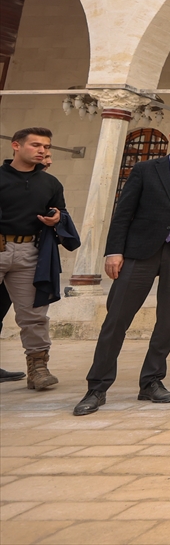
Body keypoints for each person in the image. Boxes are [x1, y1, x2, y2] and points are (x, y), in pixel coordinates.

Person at [75, 120, 170, 416]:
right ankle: (97, 387)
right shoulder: (145, 169)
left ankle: (152, 381)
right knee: (116, 319)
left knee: (167, 322)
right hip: (139, 253)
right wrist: (114, 251)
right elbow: (124, 211)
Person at [0, 128, 67, 390]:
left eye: (46, 146)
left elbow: (62, 213)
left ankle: (38, 368)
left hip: (29, 252)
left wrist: (57, 218)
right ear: (16, 146)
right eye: (35, 145)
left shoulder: (50, 183)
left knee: (34, 314)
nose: (42, 150)